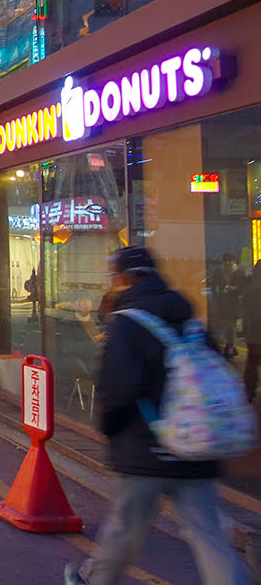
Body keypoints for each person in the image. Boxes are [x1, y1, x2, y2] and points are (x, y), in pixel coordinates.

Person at [64, 246, 251, 585]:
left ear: (121, 277)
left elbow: (117, 388)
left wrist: (110, 431)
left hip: (145, 447)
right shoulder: (187, 317)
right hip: (196, 445)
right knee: (209, 535)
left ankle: (93, 581)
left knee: (124, 530)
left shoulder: (126, 322)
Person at [243, 261, 261, 401]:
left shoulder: (249, 292)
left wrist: (247, 336)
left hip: (254, 336)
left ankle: (248, 392)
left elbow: (246, 316)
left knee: (251, 365)